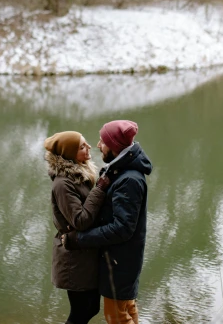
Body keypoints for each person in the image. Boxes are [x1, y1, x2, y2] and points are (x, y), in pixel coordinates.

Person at [62, 120, 152, 324]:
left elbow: (122, 228)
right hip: (123, 259)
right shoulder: (119, 171)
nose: (98, 145)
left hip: (119, 262)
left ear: (115, 146)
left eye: (103, 141)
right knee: (127, 309)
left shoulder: (128, 179)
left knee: (117, 317)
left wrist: (80, 239)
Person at [44, 130, 112, 324]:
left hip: (84, 254)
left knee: (91, 308)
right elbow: (80, 220)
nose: (89, 147)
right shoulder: (63, 184)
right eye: (82, 146)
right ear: (70, 154)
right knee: (81, 312)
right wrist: (99, 189)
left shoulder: (79, 175)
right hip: (73, 258)